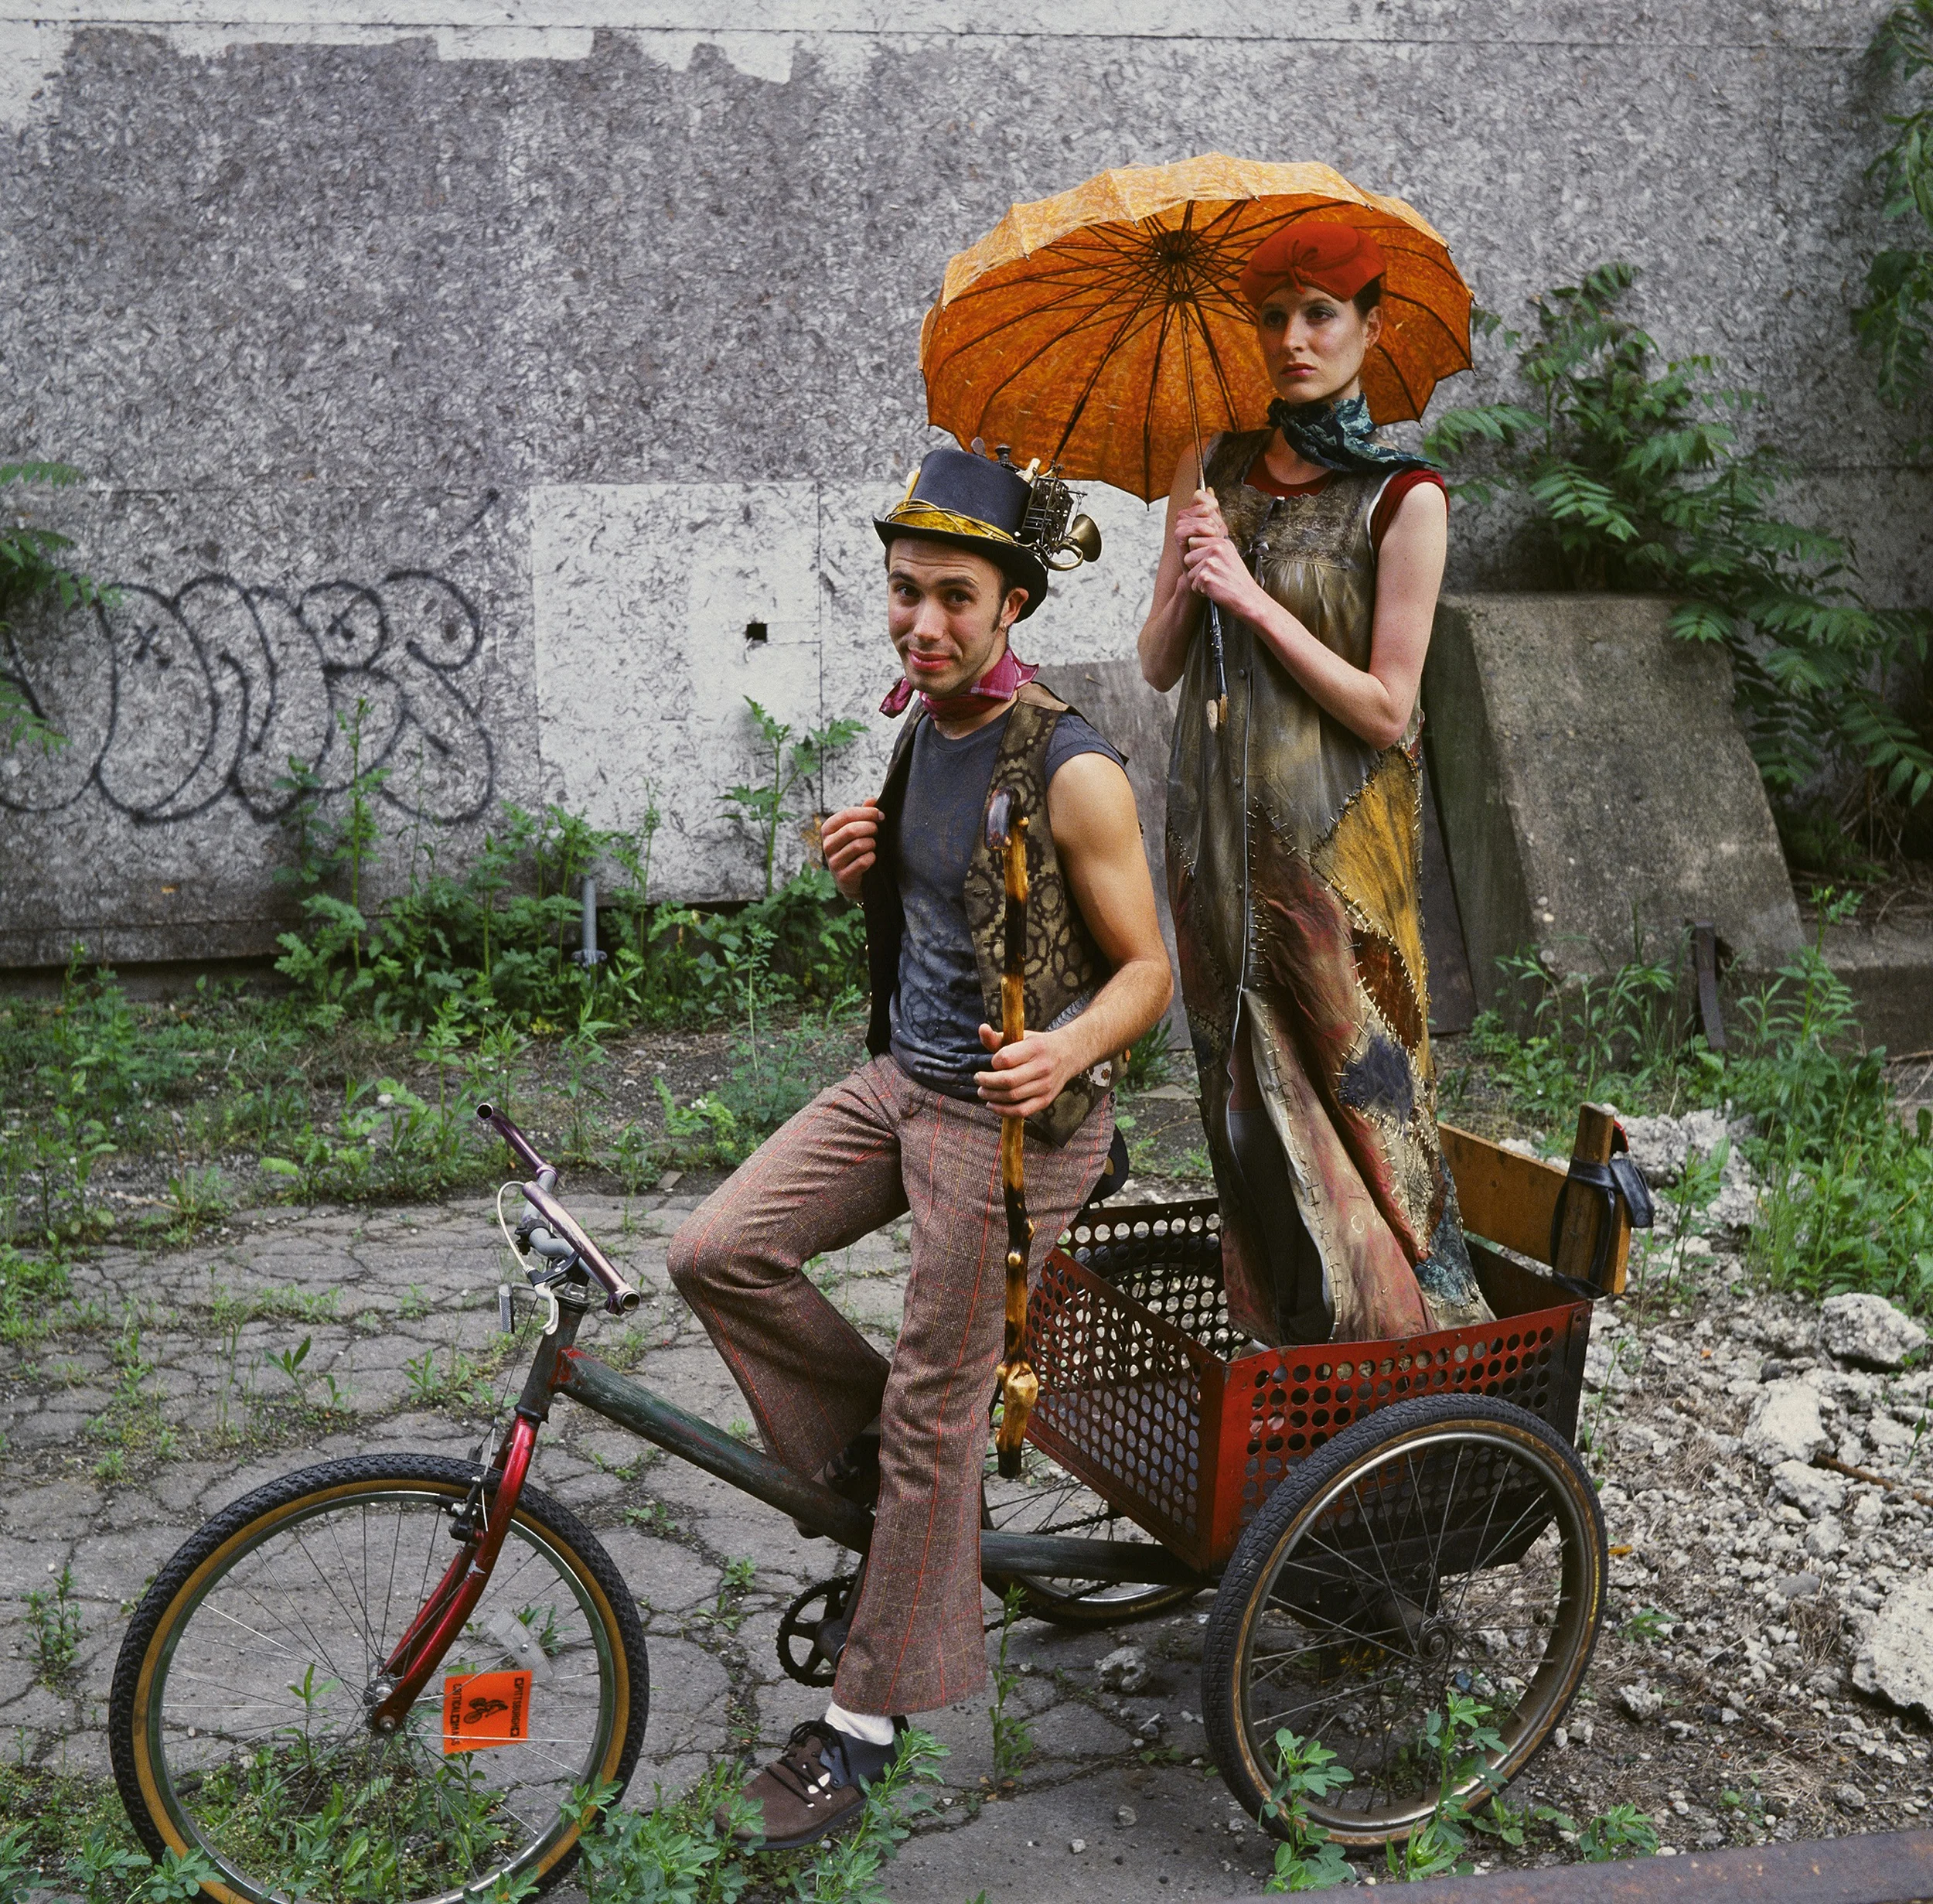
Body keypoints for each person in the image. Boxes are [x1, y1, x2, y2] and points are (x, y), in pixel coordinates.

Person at [669, 445, 1172, 1848]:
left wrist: (1067, 1048)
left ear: (1014, 603)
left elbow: (1147, 971)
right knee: (715, 1250)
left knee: (940, 1412)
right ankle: (908, 1476)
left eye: (955, 595)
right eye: (905, 592)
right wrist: (870, 861)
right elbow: (953, 921)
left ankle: (865, 1725)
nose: (924, 622)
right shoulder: (922, 730)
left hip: (1016, 1125)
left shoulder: (1072, 767)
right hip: (907, 1084)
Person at [1137, 220, 1492, 1350]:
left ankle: (1422, 1376)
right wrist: (1197, 572)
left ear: (1369, 328)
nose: (1295, 339)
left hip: (1334, 873)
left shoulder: (1405, 498)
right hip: (1211, 858)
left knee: (1367, 1109)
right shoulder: (1212, 466)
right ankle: (1289, 1356)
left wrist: (1250, 597)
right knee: (1239, 1113)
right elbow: (1155, 661)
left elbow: (1390, 706)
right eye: (1275, 316)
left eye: (1321, 314)